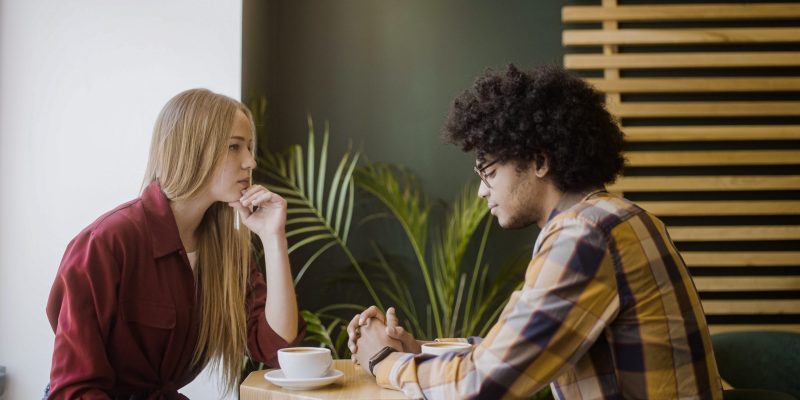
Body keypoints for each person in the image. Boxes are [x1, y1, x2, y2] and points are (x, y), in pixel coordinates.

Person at [348, 65, 723, 399]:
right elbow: (515, 349)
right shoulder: (620, 217)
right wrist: (417, 351)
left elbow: (484, 385)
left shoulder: (584, 234)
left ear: (540, 161)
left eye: (489, 172)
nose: (481, 191)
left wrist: (384, 361)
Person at [46, 89, 305, 399]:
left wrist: (274, 238)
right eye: (235, 147)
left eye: (249, 147)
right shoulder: (107, 242)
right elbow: (74, 389)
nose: (251, 161)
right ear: (192, 150)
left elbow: (280, 349)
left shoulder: (228, 252)